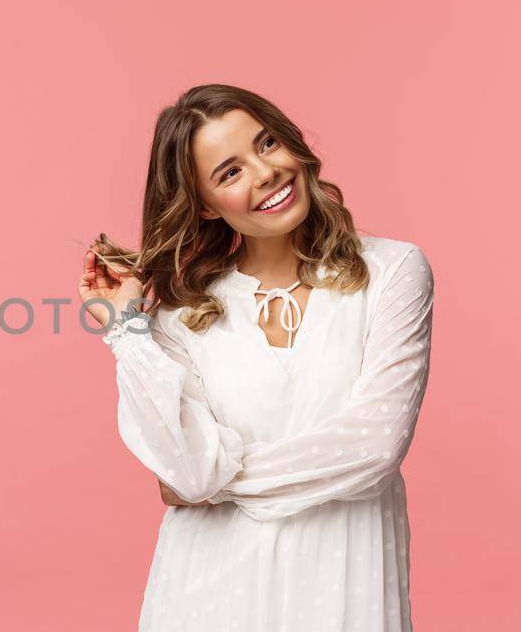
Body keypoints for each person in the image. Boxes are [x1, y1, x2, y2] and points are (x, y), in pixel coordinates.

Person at [77, 84, 435, 632]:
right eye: (230, 172)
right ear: (203, 204)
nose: (265, 172)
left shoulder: (391, 273)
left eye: (266, 144)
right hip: (204, 597)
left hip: (342, 586)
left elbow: (374, 446)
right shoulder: (182, 312)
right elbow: (186, 468)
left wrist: (218, 482)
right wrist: (128, 332)